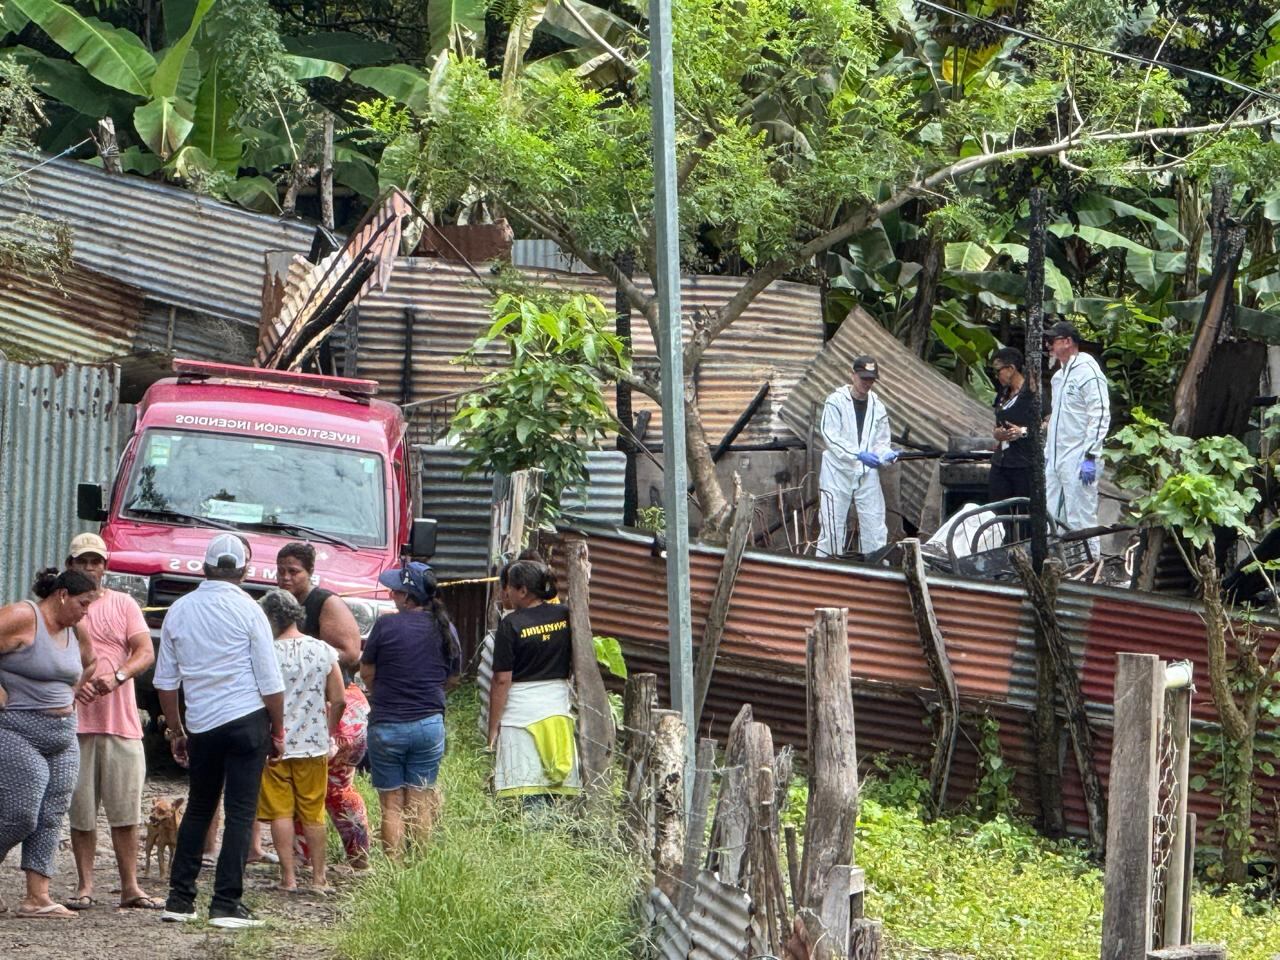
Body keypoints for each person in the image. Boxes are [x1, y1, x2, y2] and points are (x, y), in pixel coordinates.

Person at [153, 534, 285, 930]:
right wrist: (278, 729)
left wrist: (176, 730)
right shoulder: (250, 610)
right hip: (246, 719)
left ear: (206, 568)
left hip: (202, 724)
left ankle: (179, 899)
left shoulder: (179, 610)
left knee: (199, 806)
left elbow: (165, 682)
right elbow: (270, 681)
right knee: (241, 811)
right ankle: (227, 903)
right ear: (244, 570)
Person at [63, 533, 162, 912]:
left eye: (96, 561)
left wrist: (118, 676)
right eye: (83, 561)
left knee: (126, 811)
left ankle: (130, 886)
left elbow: (144, 651)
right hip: (76, 723)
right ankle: (85, 885)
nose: (90, 568)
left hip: (121, 721)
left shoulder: (123, 603)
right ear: (70, 565)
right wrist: (77, 685)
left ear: (105, 566)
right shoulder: (62, 606)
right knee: (81, 811)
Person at [0, 568, 97, 920]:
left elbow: (91, 662)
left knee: (51, 814)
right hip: (16, 728)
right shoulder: (24, 616)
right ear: (62, 595)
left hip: (63, 734)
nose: (86, 612)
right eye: (83, 603)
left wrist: (73, 693)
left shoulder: (76, 629)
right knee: (21, 812)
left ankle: (37, 897)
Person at [275, 542, 370, 870]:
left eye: (294, 572)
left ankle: (358, 858)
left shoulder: (325, 602)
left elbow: (351, 653)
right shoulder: (281, 605)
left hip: (335, 707)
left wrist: (308, 654)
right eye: (281, 571)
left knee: (335, 788)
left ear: (310, 572)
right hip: (302, 708)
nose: (285, 578)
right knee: (299, 787)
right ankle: (303, 860)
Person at [360, 561, 460, 859]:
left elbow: (366, 672)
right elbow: (453, 679)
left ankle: (394, 871)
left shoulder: (385, 625)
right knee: (420, 801)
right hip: (428, 725)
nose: (391, 595)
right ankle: (419, 868)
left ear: (408, 597)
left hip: (386, 725)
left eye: (396, 590)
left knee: (391, 804)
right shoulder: (446, 628)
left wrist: (382, 693)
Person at [255, 590, 344, 893]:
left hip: (274, 744)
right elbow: (339, 699)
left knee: (280, 811)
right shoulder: (323, 650)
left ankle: (288, 879)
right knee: (313, 811)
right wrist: (329, 732)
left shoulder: (265, 652)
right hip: (313, 744)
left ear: (271, 618)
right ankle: (319, 879)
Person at [487, 560, 581, 806]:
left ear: (522, 590)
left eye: (509, 586)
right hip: (558, 714)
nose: (506, 592)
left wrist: (493, 728)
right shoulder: (565, 615)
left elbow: (501, 680)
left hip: (520, 719)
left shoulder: (511, 624)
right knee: (554, 795)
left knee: (527, 795)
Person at [817, 355, 899, 558]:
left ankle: (874, 567)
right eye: (863, 378)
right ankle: (827, 569)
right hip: (837, 470)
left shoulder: (878, 407)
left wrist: (886, 455)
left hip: (866, 472)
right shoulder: (835, 401)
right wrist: (857, 454)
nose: (867, 383)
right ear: (853, 375)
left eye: (871, 379)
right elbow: (830, 436)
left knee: (874, 524)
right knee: (832, 523)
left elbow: (881, 442)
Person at [1044, 321, 1111, 547]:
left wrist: (1090, 456)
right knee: (1052, 514)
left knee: (1080, 516)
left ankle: (1090, 562)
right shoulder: (1058, 377)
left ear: (1067, 342)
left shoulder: (1089, 373)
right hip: (1056, 457)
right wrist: (1048, 454)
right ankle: (1059, 560)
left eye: (1052, 341)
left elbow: (1100, 415)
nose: (1048, 346)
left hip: (1079, 456)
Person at [988, 347, 1035, 529]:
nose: (997, 376)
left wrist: (1022, 431)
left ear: (1011, 368)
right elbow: (997, 424)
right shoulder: (1003, 394)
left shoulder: (1031, 393)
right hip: (1001, 462)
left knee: (1024, 516)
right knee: (998, 515)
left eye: (998, 371)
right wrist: (997, 433)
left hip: (1023, 463)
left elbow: (1048, 423)